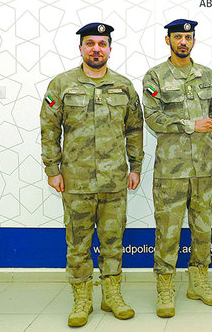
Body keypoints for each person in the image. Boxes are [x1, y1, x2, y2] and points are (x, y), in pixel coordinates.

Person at [40, 22, 143, 326]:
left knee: (113, 242)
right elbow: (49, 129)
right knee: (78, 244)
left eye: (102, 44)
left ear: (110, 49)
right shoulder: (61, 84)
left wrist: (135, 166)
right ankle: (82, 299)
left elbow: (135, 129)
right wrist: (52, 169)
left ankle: (112, 295)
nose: (96, 49)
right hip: (76, 180)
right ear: (81, 48)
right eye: (90, 43)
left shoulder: (123, 86)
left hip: (114, 180)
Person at [142, 19, 212, 318]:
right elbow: (152, 118)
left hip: (204, 167)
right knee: (168, 231)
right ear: (168, 40)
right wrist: (192, 125)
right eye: (177, 37)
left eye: (187, 37)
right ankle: (165, 288)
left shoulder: (206, 75)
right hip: (171, 170)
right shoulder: (156, 75)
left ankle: (198, 281)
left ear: (193, 41)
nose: (183, 42)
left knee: (203, 229)